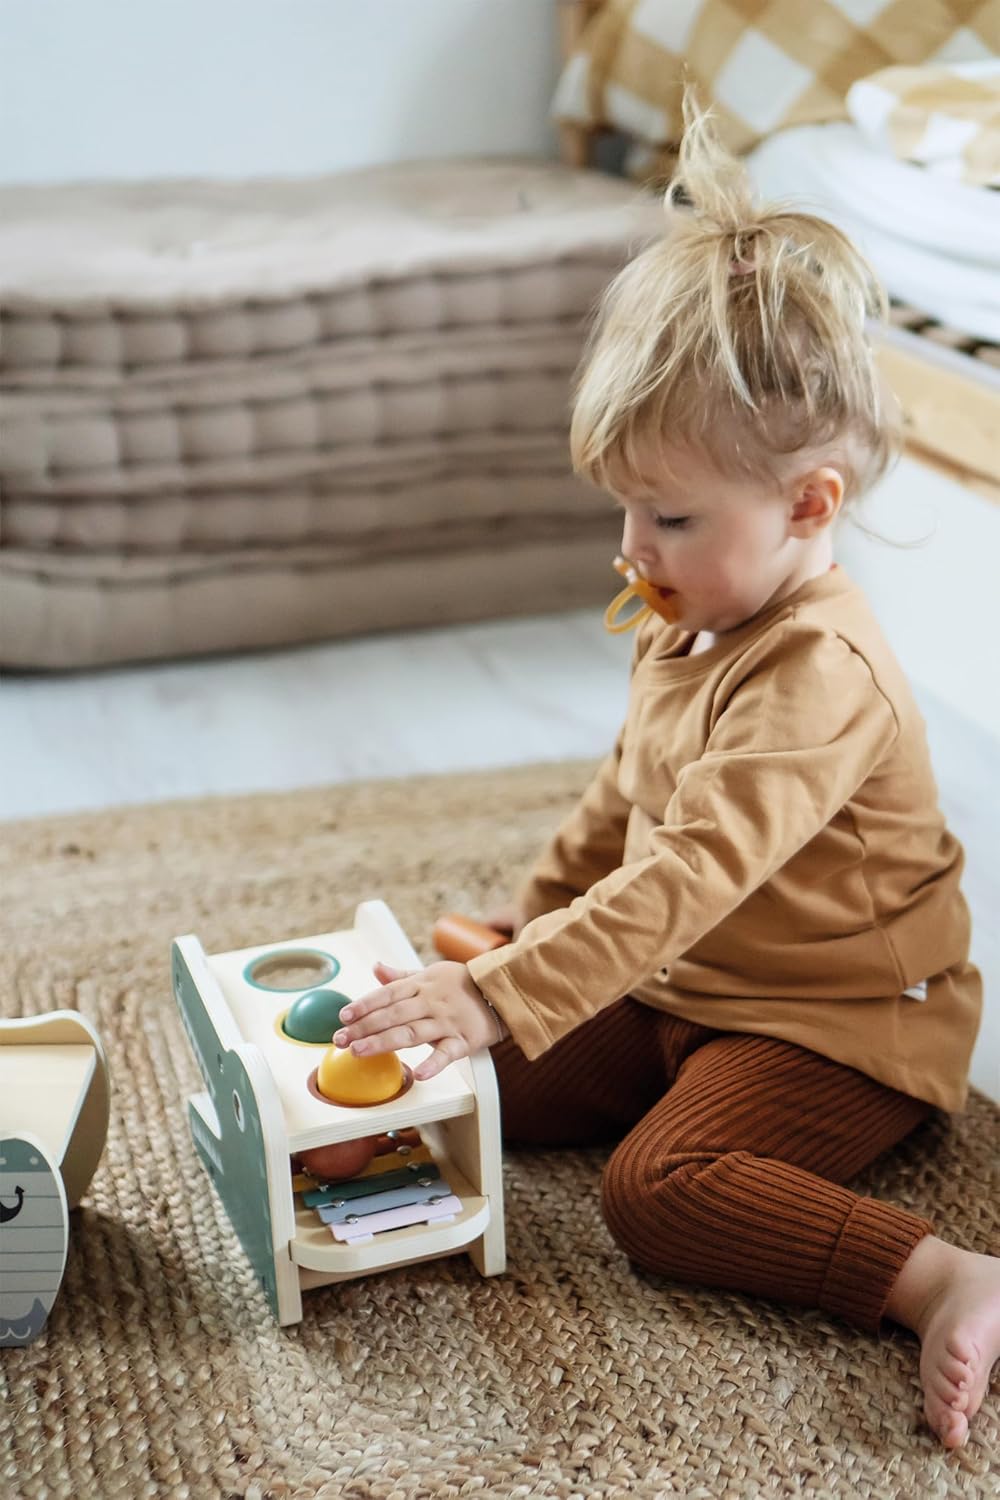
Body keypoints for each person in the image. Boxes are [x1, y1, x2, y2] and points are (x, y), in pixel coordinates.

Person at [332, 98, 998, 1448]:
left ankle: (942, 1276)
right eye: (628, 506)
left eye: (673, 515)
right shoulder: (689, 605)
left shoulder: (820, 674)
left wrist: (508, 989)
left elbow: (691, 873)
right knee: (472, 1079)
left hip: (838, 1022)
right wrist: (527, 930)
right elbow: (629, 791)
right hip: (685, 985)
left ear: (809, 504)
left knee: (658, 1189)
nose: (635, 546)